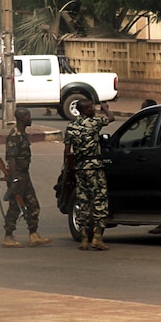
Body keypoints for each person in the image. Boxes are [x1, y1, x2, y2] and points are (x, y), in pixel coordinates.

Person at [63, 99, 115, 251]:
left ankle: (84, 239)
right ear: (85, 110)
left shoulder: (71, 126)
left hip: (79, 168)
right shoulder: (93, 122)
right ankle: (97, 238)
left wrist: (69, 168)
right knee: (100, 201)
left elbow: (67, 151)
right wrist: (105, 108)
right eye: (91, 107)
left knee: (83, 202)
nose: (93, 108)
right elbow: (111, 118)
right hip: (94, 168)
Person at [2, 107, 52, 248]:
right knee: (15, 206)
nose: (30, 119)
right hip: (18, 175)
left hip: (24, 174)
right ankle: (8, 236)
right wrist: (14, 179)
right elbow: (11, 158)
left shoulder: (22, 134)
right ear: (22, 118)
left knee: (33, 205)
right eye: (28, 117)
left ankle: (33, 235)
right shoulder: (15, 135)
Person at [139, 98, 161, 235]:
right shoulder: (159, 120)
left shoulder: (154, 123)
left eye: (143, 108)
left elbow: (148, 141)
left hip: (159, 162)